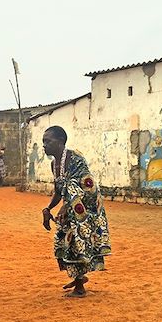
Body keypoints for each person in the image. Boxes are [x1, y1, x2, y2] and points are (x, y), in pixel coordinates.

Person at [41, 126, 111, 298]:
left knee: (76, 243)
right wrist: (48, 208)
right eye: (43, 142)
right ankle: (78, 277)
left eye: (47, 141)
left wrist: (66, 206)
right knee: (63, 242)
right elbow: (59, 190)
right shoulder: (53, 165)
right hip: (69, 208)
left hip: (85, 209)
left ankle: (80, 287)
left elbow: (85, 184)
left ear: (60, 142)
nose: (44, 145)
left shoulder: (76, 159)